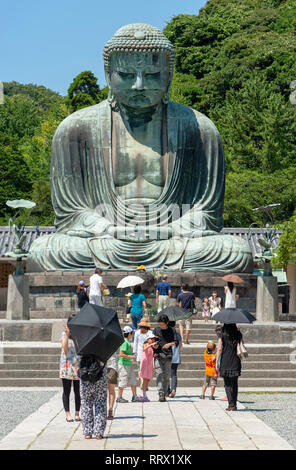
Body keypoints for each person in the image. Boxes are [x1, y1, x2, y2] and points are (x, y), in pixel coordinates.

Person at [79, 355, 107, 439]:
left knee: (86, 403)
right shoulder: (103, 346)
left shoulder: (83, 345)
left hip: (85, 375)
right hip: (100, 376)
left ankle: (88, 432)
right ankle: (98, 432)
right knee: (100, 403)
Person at [216, 323, 242, 411]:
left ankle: (231, 404)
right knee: (235, 383)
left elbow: (219, 349)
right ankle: (234, 404)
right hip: (235, 359)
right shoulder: (238, 334)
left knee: (227, 383)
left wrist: (216, 361)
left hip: (225, 360)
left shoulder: (222, 334)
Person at [153, 314, 179, 402]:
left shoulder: (172, 330)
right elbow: (152, 340)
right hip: (158, 355)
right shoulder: (156, 330)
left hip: (168, 356)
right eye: (159, 324)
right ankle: (160, 393)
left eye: (163, 324)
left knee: (166, 376)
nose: (161, 326)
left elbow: (176, 342)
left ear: (167, 322)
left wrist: (169, 344)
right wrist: (154, 346)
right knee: (159, 374)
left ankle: (164, 393)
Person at [60, 314, 81, 422]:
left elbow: (80, 349)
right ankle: (67, 413)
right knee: (66, 390)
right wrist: (67, 334)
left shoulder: (79, 335)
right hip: (66, 366)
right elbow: (65, 347)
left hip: (77, 366)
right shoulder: (64, 334)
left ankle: (77, 413)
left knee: (78, 391)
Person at [117, 326, 144, 403]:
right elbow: (121, 354)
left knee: (133, 380)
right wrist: (131, 356)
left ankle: (134, 396)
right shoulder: (125, 343)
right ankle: (119, 397)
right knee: (123, 381)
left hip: (128, 364)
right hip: (124, 365)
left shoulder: (127, 342)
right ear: (129, 333)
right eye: (132, 333)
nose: (132, 335)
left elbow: (126, 352)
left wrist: (132, 354)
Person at [139, 336, 159, 402]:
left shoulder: (151, 346)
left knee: (147, 379)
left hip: (149, 364)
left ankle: (143, 394)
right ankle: (144, 395)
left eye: (153, 339)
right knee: (145, 379)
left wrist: (154, 354)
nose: (153, 340)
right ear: (148, 339)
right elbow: (144, 349)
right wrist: (151, 344)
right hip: (145, 364)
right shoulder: (146, 344)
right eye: (151, 338)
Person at [167, 321, 182, 398]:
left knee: (166, 373)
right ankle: (173, 389)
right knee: (173, 374)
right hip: (175, 356)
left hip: (167, 355)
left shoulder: (166, 334)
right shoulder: (177, 334)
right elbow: (180, 345)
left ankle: (167, 390)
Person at [106, 352, 118, 420]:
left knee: (111, 389)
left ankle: (110, 410)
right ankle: (102, 410)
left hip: (112, 366)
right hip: (100, 366)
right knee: (101, 391)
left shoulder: (113, 341)